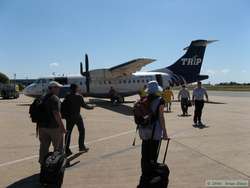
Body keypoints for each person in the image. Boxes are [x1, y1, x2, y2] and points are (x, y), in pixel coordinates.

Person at [138, 81, 169, 187]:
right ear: (157, 90)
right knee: (153, 153)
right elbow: (161, 117)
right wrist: (164, 132)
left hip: (144, 131)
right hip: (155, 132)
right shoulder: (160, 101)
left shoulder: (143, 100)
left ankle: (144, 173)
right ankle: (151, 174)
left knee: (145, 152)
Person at [38, 81, 67, 165]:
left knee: (44, 147)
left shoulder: (43, 97)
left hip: (42, 127)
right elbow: (56, 113)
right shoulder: (55, 98)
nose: (59, 89)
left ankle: (43, 163)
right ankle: (56, 164)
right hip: (54, 127)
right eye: (57, 87)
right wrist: (62, 127)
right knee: (58, 147)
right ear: (53, 88)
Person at [65, 84, 94, 156]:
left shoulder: (67, 96)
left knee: (68, 133)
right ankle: (81, 146)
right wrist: (91, 107)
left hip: (69, 117)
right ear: (76, 88)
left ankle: (66, 149)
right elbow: (84, 106)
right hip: (77, 117)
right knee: (82, 131)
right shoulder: (79, 96)